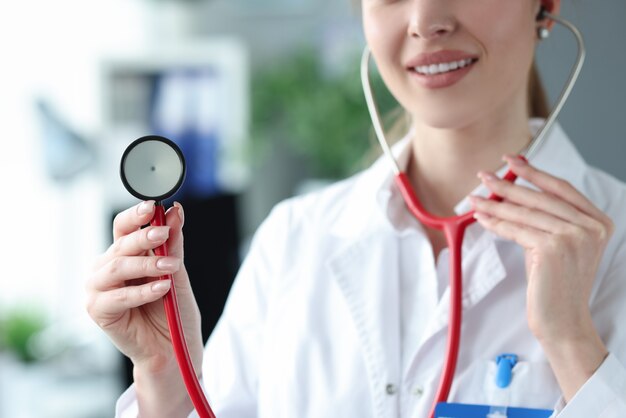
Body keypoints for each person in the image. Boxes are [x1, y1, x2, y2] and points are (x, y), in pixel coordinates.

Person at [86, 0, 626, 416]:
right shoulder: (293, 239)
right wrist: (164, 378)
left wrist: (571, 341)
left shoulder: (617, 240)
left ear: (546, 5)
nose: (425, 20)